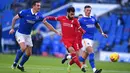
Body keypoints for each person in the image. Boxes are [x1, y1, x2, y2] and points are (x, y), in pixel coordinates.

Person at [9, 0, 59, 72]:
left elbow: (48, 25)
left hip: (28, 35)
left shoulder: (39, 16)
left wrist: (56, 31)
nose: (39, 7)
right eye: (38, 5)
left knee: (29, 53)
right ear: (33, 6)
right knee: (23, 47)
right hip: (20, 33)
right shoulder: (24, 12)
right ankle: (14, 64)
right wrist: (12, 28)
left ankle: (20, 65)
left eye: (40, 6)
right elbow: (14, 18)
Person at [44, 6, 86, 72]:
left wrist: (83, 31)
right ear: (68, 13)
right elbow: (54, 18)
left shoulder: (75, 21)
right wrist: (47, 17)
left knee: (77, 57)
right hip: (66, 40)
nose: (73, 15)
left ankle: (68, 59)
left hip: (74, 41)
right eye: (71, 14)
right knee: (73, 53)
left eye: (73, 14)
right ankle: (81, 67)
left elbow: (80, 28)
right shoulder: (62, 18)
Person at [78, 5, 108, 73]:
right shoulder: (81, 20)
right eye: (87, 10)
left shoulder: (93, 18)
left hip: (91, 40)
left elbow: (97, 26)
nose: (88, 12)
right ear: (84, 11)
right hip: (85, 39)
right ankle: (94, 70)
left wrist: (102, 33)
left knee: (82, 59)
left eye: (90, 10)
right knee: (91, 52)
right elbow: (75, 27)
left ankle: (71, 58)